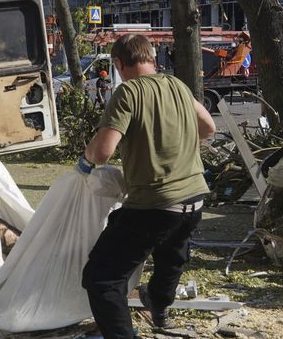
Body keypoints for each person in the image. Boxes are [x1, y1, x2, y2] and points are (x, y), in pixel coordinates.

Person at [79, 34, 215, 338]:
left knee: (101, 277)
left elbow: (103, 151)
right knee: (170, 257)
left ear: (118, 63)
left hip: (155, 205)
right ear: (151, 59)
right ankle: (160, 310)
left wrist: (86, 160)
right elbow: (209, 127)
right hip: (194, 199)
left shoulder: (127, 93)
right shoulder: (177, 85)